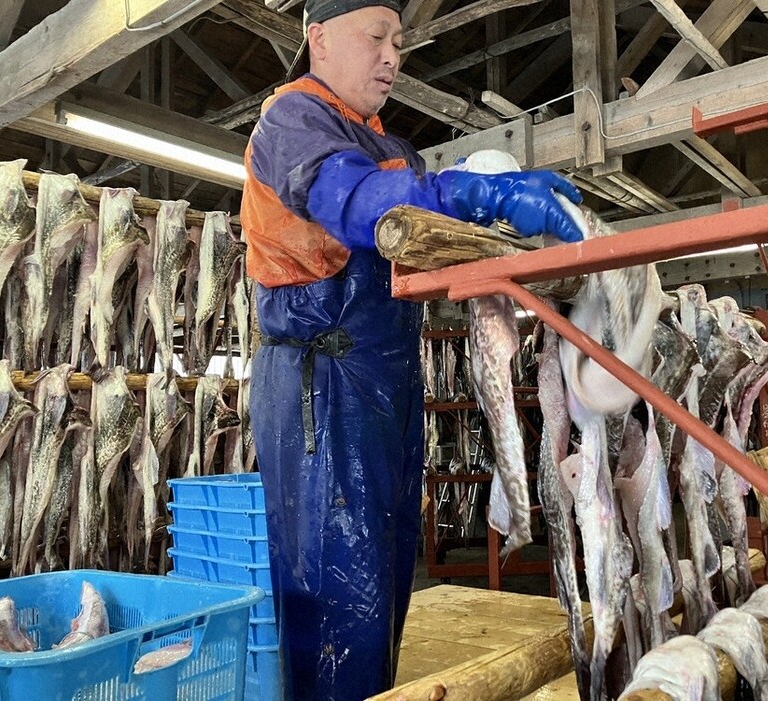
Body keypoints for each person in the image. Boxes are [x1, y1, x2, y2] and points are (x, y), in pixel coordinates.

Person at [240, 1, 585, 698]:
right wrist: (472, 189)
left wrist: (503, 243)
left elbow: (426, 250)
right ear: (319, 39)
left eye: (400, 41)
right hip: (322, 386)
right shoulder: (293, 120)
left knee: (387, 582)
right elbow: (354, 201)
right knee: (338, 592)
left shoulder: (394, 147)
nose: (392, 57)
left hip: (392, 381)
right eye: (376, 38)